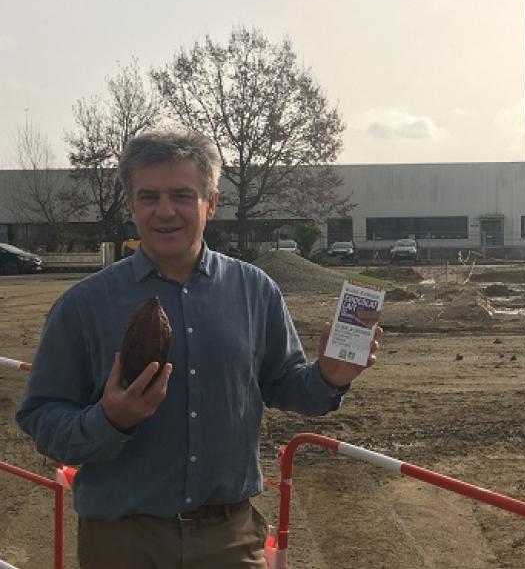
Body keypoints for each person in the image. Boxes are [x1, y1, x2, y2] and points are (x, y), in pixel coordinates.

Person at [16, 129, 382, 568]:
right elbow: (41, 418)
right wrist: (109, 420)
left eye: (182, 195)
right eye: (148, 196)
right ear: (131, 206)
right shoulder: (82, 306)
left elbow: (284, 385)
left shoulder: (255, 290)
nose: (165, 211)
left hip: (229, 539)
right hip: (122, 540)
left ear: (211, 202)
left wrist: (329, 376)